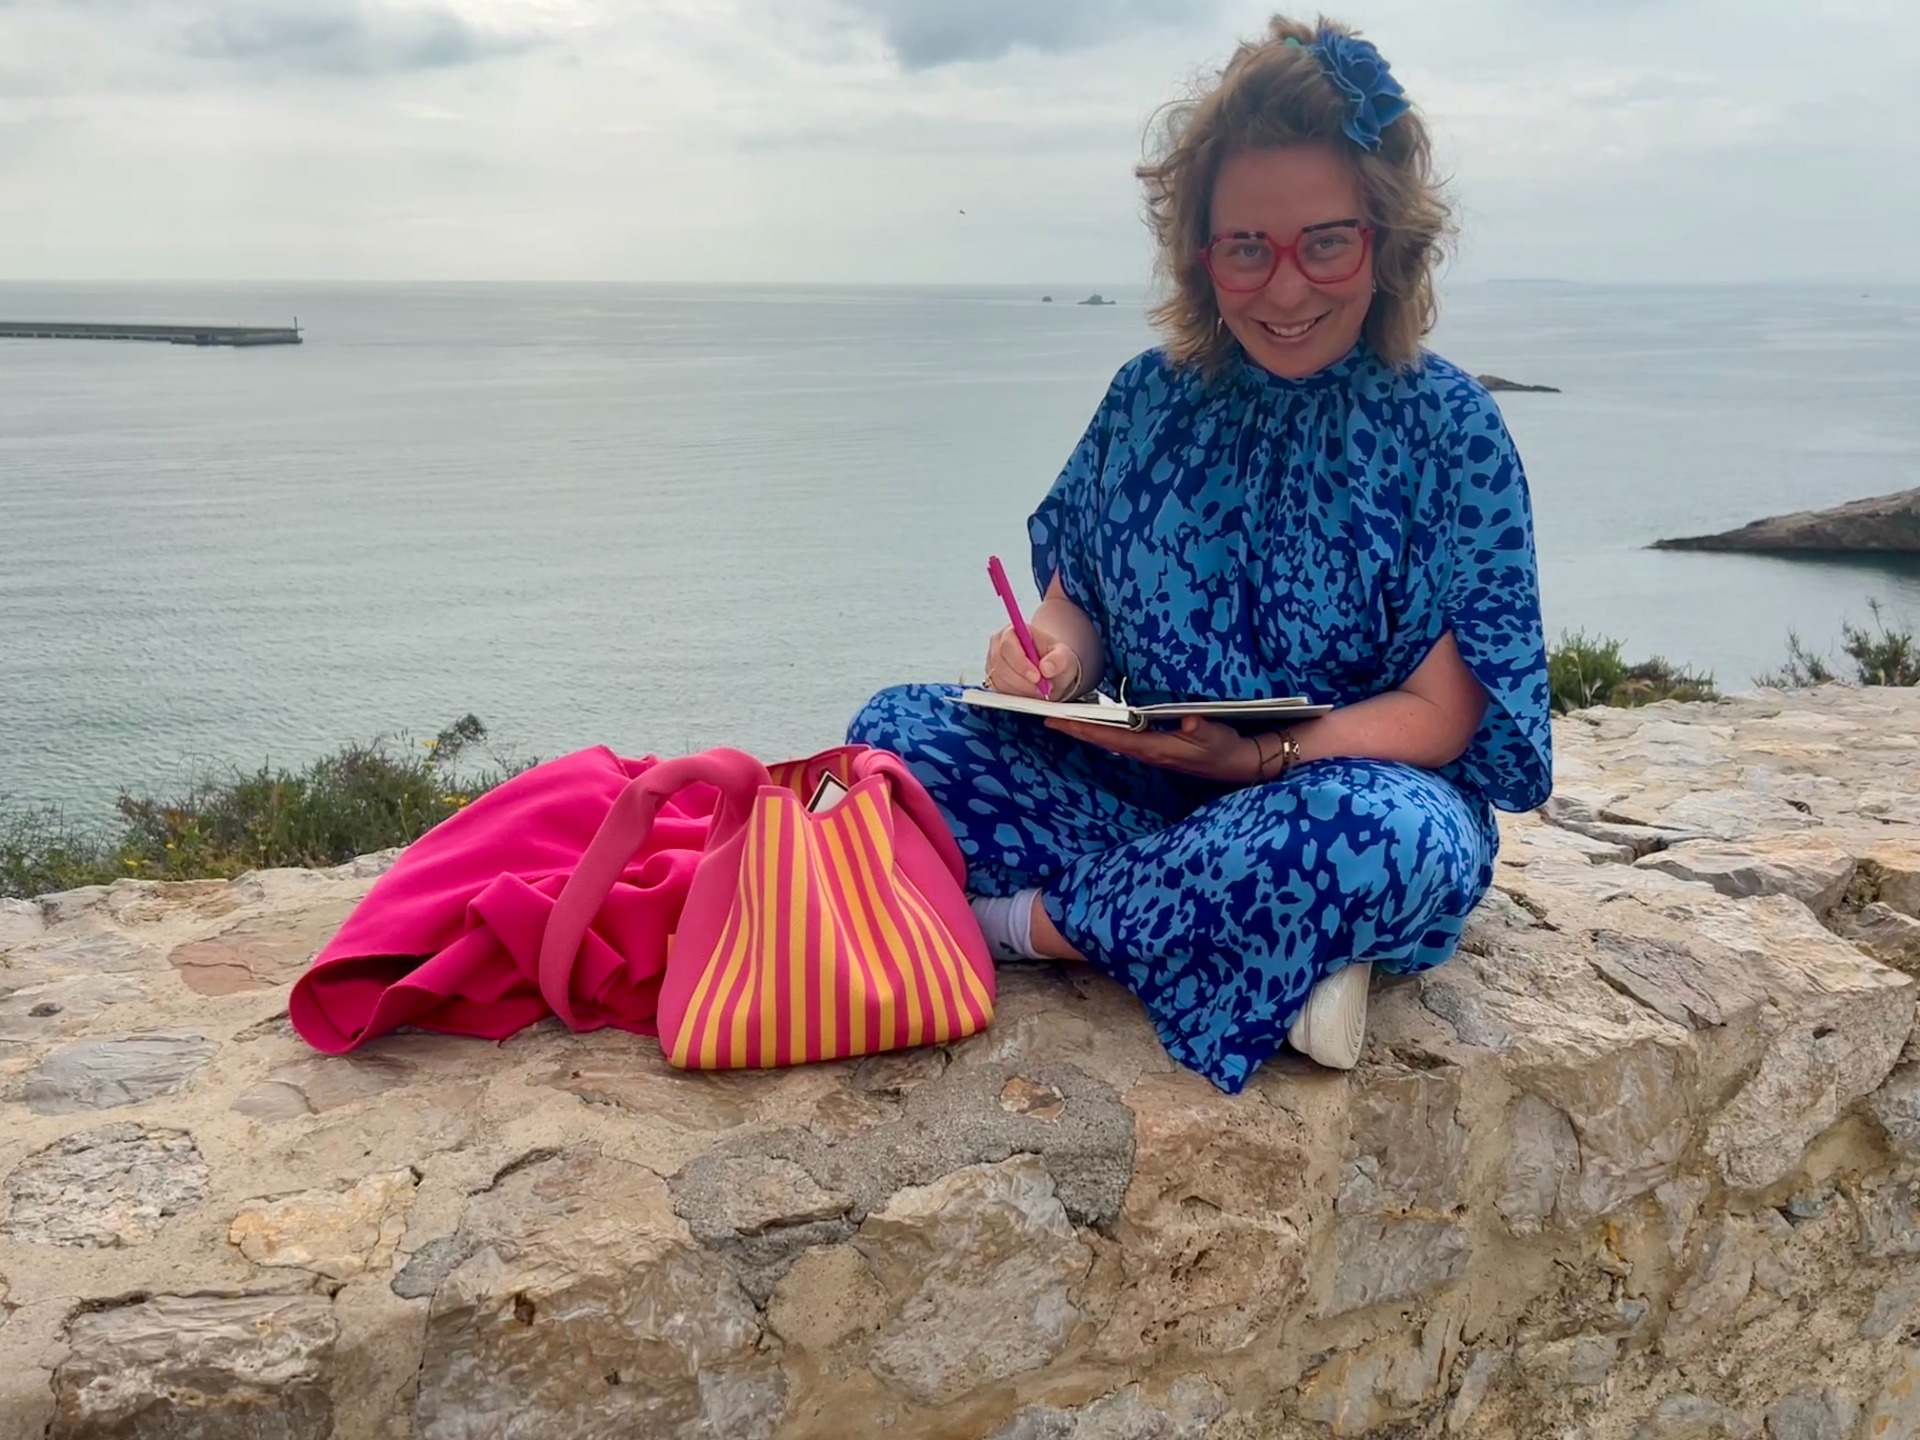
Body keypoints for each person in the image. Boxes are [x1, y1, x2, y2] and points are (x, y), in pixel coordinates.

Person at [847, 14, 1552, 1094]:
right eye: (1246, 248)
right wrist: (1044, 660)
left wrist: (1258, 763)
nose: (1285, 288)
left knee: (1379, 842)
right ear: (1202, 253)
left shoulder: (1451, 431)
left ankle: (1017, 926)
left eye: (1326, 242)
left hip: (1331, 797)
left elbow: (1441, 716)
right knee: (895, 736)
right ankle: (1257, 951)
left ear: (1387, 238)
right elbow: (1077, 603)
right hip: (1144, 789)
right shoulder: (1147, 399)